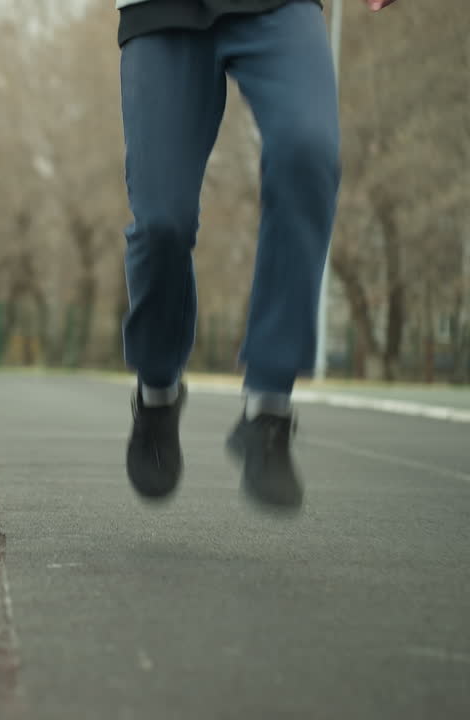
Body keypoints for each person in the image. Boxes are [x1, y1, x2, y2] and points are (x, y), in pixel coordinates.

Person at [117, 0, 400, 510]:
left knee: (308, 153)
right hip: (160, 10)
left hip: (280, 7)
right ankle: (156, 391)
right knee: (162, 222)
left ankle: (269, 408)